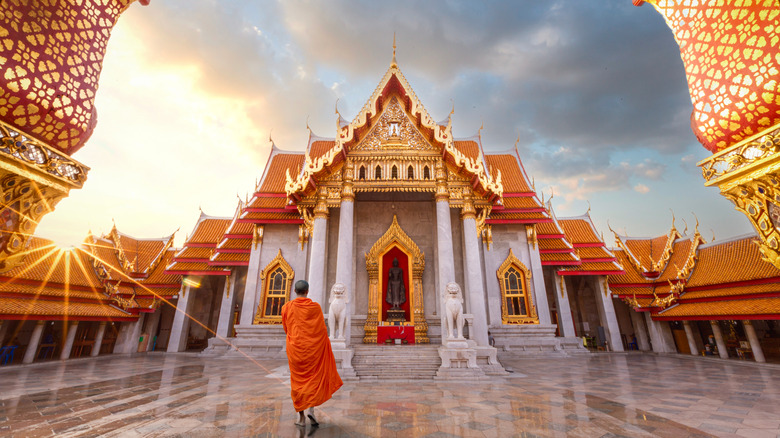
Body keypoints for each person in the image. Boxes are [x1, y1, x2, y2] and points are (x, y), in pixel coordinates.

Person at [282, 280, 343, 427]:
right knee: (313, 380)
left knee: (298, 383)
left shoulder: (286, 307)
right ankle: (311, 410)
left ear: (294, 291)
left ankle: (301, 418)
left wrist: (296, 339)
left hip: (295, 350)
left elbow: (286, 328)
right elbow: (322, 330)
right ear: (307, 291)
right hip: (313, 351)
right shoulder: (315, 307)